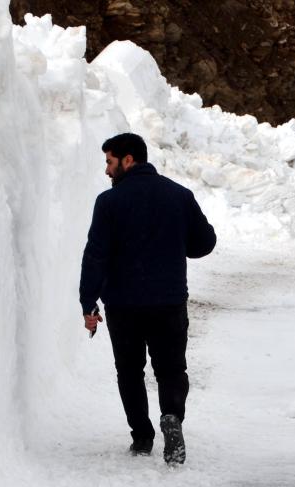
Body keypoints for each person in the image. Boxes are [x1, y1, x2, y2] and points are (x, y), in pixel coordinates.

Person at [79, 133, 217, 465]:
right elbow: (205, 242)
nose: (107, 171)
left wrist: (88, 303)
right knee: (171, 369)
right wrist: (173, 244)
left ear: (128, 160)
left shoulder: (109, 203)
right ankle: (171, 416)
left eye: (110, 163)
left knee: (129, 371)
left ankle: (142, 436)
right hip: (168, 302)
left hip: (123, 306)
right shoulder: (179, 196)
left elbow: (95, 256)